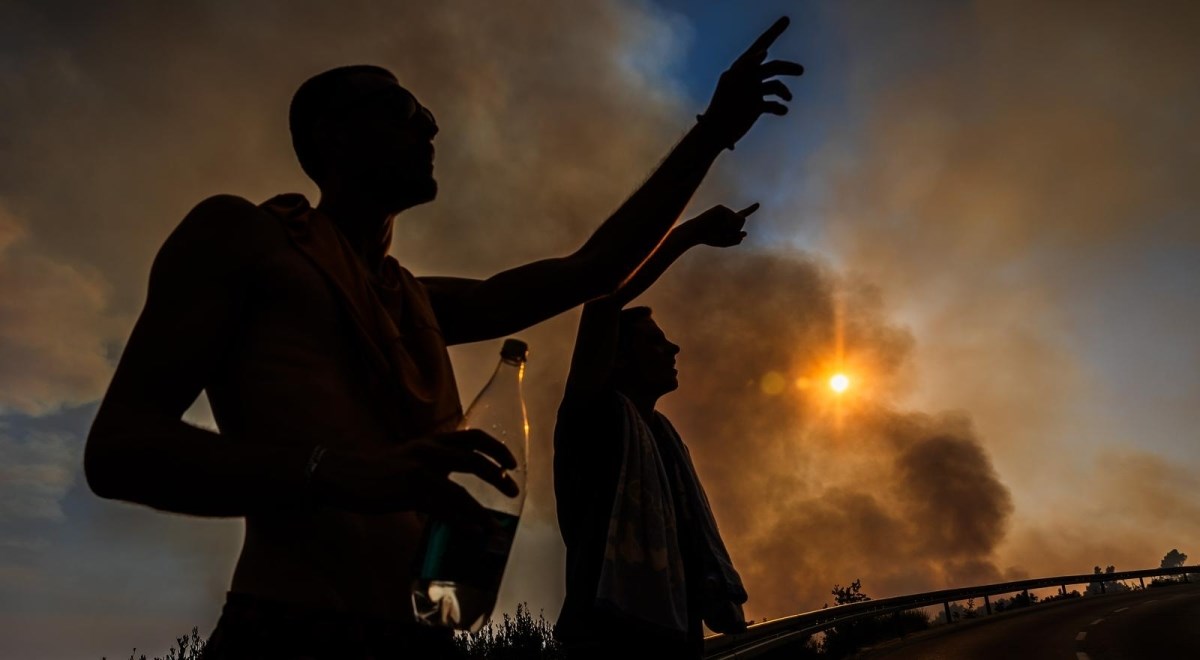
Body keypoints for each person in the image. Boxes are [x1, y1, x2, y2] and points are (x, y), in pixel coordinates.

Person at [83, 16, 801, 659]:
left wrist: (712, 132)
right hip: (292, 626)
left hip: (422, 636)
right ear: (331, 134)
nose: (429, 127)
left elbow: (595, 271)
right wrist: (336, 473)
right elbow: (119, 451)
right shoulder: (247, 237)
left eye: (427, 114)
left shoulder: (416, 303)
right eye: (402, 111)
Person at [554, 202, 756, 659]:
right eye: (655, 340)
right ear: (618, 358)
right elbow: (604, 297)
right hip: (604, 641)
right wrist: (689, 234)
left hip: (676, 641)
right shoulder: (593, 416)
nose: (673, 346)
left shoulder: (665, 441)